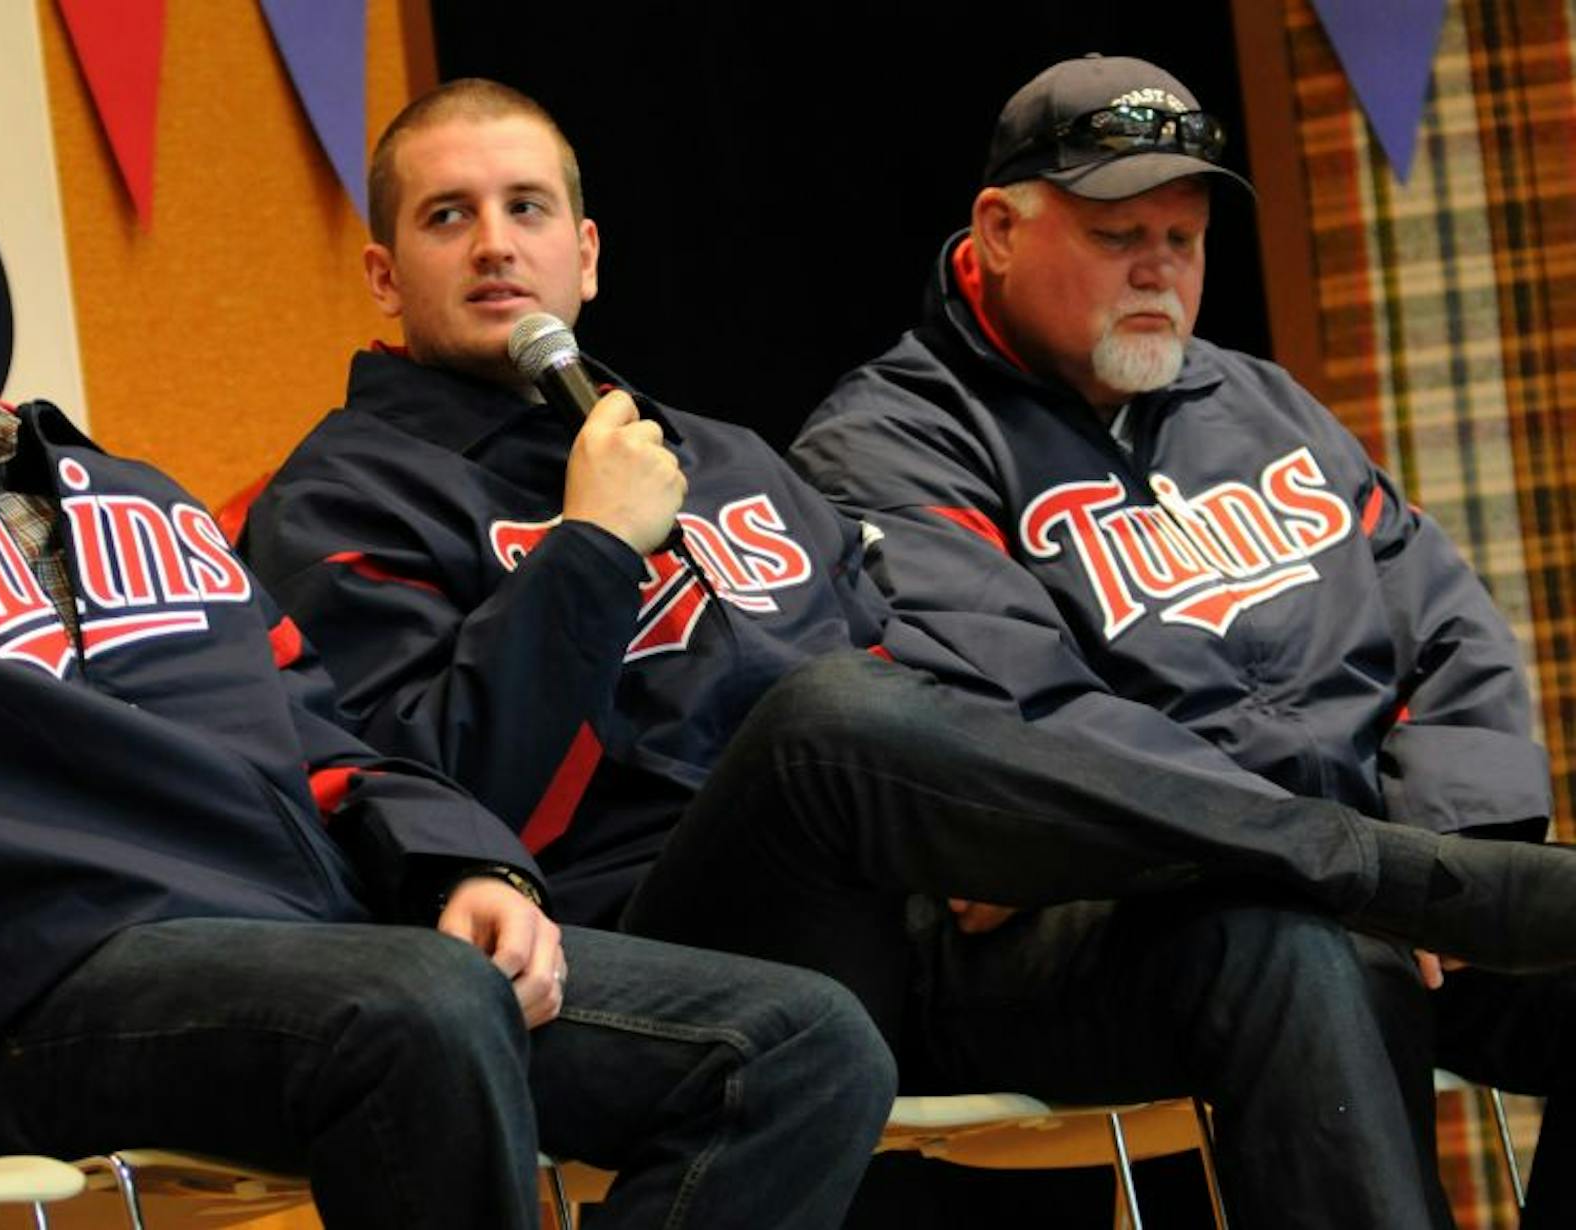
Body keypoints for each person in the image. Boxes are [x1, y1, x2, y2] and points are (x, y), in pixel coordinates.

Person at [0, 51, 900, 1230]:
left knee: (801, 1045)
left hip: (313, 955)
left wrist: (463, 864)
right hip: (10, 1000)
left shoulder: (124, 489)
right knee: (418, 1004)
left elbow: (319, 738)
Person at [239, 75, 1576, 1227]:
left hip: (914, 932)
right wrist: (589, 550)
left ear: (586, 255)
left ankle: (1350, 887)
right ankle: (1388, 872)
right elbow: (448, 799)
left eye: (527, 208)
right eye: (448, 215)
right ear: (384, 272)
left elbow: (922, 681)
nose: (495, 244)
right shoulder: (344, 498)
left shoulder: (720, 456)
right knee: (823, 724)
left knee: (1280, 946)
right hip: (655, 948)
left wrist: (995, 828)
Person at [790, 53, 1576, 1226]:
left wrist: (1440, 854)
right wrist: (1337, 862)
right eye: (1119, 236)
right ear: (999, 230)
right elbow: (1026, 732)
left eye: (1184, 238)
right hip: (1071, 926)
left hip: (1352, 887)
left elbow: (1445, 631)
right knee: (1304, 948)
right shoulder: (886, 445)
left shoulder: (1262, 404)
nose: (1159, 268)